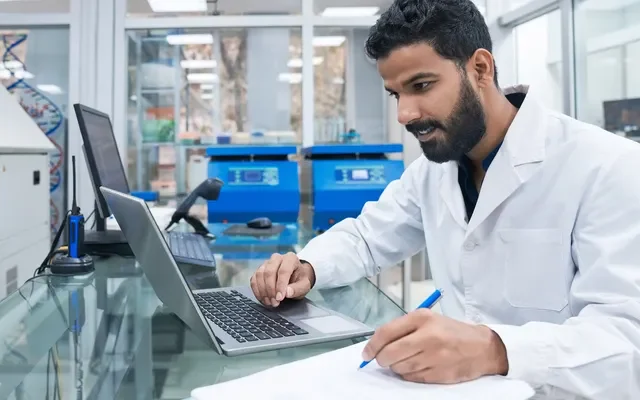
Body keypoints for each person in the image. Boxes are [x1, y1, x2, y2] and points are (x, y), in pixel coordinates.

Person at [249, 0, 640, 398]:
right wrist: (308, 266)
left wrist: (495, 350)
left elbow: (626, 340)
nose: (404, 114)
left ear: (480, 69)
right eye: (395, 94)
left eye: (421, 86)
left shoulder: (608, 167)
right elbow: (366, 238)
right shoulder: (434, 171)